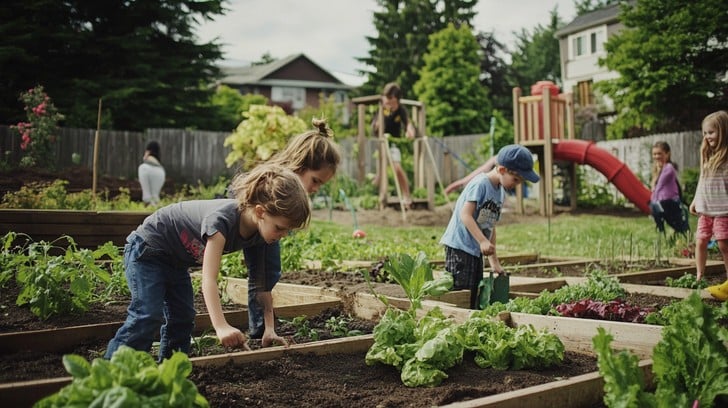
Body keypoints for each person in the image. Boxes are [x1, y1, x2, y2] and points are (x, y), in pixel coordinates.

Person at [105, 163, 311, 361]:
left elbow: (262, 285)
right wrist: (221, 326)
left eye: (287, 230)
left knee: (183, 318)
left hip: (176, 262)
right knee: (147, 315)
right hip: (148, 249)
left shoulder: (262, 234)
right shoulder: (221, 221)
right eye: (280, 227)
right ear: (260, 212)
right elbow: (209, 280)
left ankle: (171, 370)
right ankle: (110, 370)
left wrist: (269, 328)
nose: (283, 235)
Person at [244, 118, 341, 341]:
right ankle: (260, 330)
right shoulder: (270, 187)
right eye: (315, 181)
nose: (315, 189)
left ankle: (261, 331)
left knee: (268, 270)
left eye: (320, 185)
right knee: (264, 270)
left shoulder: (284, 194)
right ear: (299, 166)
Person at [440, 144, 539, 309]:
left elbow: (490, 226)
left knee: (474, 290)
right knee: (462, 292)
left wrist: (494, 262)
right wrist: (481, 241)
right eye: (516, 179)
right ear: (501, 170)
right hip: (459, 247)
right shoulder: (480, 184)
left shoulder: (499, 191)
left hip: (475, 249)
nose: (517, 184)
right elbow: (465, 215)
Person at [689, 111, 728, 300]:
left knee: (723, 244)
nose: (707, 137)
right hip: (706, 208)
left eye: (711, 132)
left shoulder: (726, 156)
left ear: (723, 131)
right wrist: (696, 199)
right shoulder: (707, 155)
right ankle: (700, 275)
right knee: (701, 241)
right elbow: (702, 180)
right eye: (705, 133)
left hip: (723, 209)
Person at [372, 82, 416, 207]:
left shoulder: (401, 110)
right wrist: (378, 123)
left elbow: (408, 123)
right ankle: (378, 194)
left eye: (392, 100)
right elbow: (375, 127)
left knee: (397, 168)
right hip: (382, 143)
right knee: (380, 174)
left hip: (393, 144)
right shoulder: (382, 108)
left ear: (397, 99)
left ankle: (407, 195)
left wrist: (410, 130)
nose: (389, 103)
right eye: (387, 99)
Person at [649, 141, 689, 236]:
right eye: (654, 154)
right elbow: (653, 187)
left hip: (671, 203)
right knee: (655, 208)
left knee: (682, 229)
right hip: (664, 203)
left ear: (667, 154)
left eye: (659, 153)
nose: (656, 156)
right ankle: (662, 234)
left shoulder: (669, 168)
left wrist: (652, 202)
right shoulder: (659, 168)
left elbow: (658, 187)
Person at [138, 141, 165, 206]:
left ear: (148, 151)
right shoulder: (161, 170)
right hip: (158, 204)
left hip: (148, 206)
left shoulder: (143, 168)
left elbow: (146, 195)